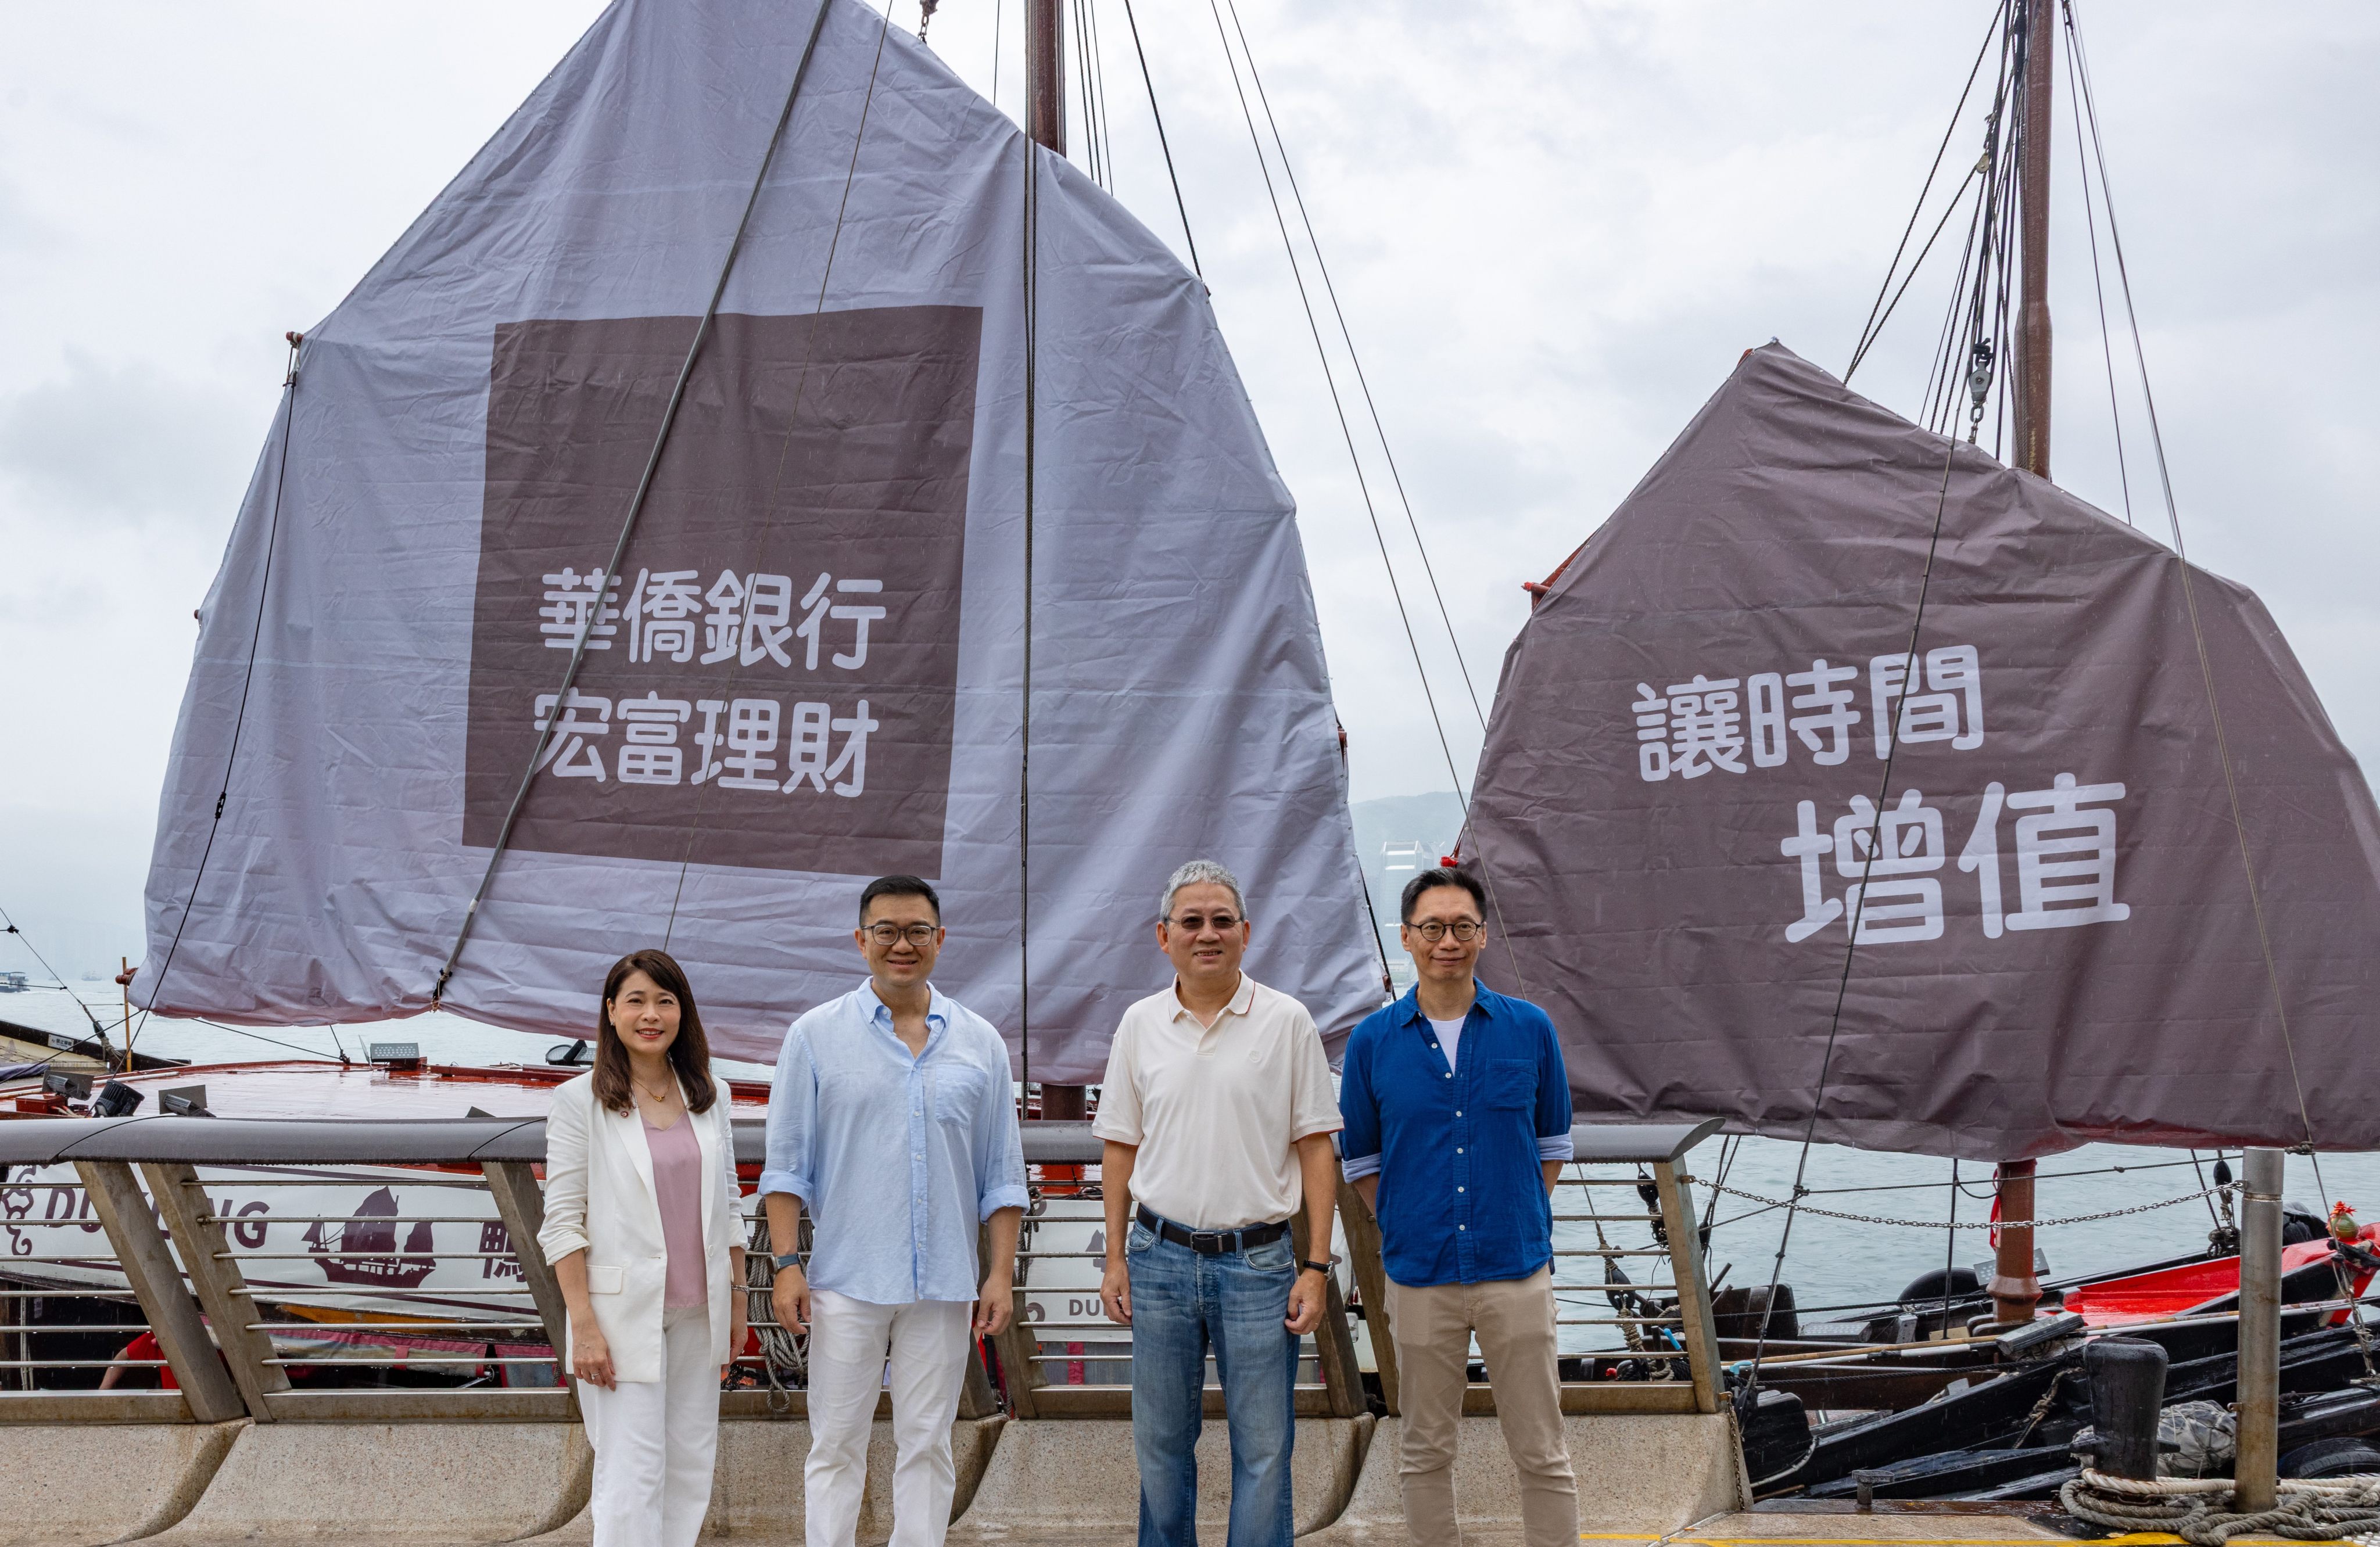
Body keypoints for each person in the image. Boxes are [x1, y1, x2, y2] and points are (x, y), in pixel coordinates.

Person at [761, 875, 1028, 1547]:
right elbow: (787, 1164)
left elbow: (1000, 1174)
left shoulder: (981, 1043)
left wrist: (998, 1275)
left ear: (940, 940)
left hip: (942, 1282)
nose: (900, 944)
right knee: (835, 1444)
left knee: (929, 1445)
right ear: (861, 940)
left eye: (916, 931)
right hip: (846, 1277)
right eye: (885, 930)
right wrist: (788, 1264)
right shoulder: (815, 1036)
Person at [1096, 859, 1341, 1547]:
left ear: (1246, 932)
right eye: (1192, 921)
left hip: (1260, 1262)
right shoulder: (1140, 1023)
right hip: (1157, 1257)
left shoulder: (1287, 1020)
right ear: (1163, 934)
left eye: (1221, 920)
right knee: (1160, 1445)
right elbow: (1120, 1146)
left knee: (1264, 1448)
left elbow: (1317, 1147)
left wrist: (1316, 1266)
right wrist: (1114, 1257)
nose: (1208, 933)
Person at [1337, 867, 1578, 1547]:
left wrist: (1515, 1207)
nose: (1449, 940)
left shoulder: (1528, 1028)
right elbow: (1361, 1159)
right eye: (1434, 928)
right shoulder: (1373, 1041)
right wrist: (1413, 1217)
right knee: (1424, 1449)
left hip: (1516, 1270)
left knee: (1542, 1449)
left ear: (1482, 935)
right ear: (1408, 938)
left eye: (1463, 927)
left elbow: (1552, 1140)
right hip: (1420, 1275)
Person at [539, 949, 747, 1547]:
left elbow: (730, 1205)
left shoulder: (712, 1093)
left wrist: (737, 1303)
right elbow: (563, 1222)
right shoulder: (580, 1100)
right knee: (631, 1471)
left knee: (688, 1467)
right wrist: (583, 1324)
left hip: (698, 1310)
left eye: (664, 999)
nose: (650, 1014)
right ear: (611, 1010)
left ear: (683, 1010)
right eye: (635, 1000)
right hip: (619, 1314)